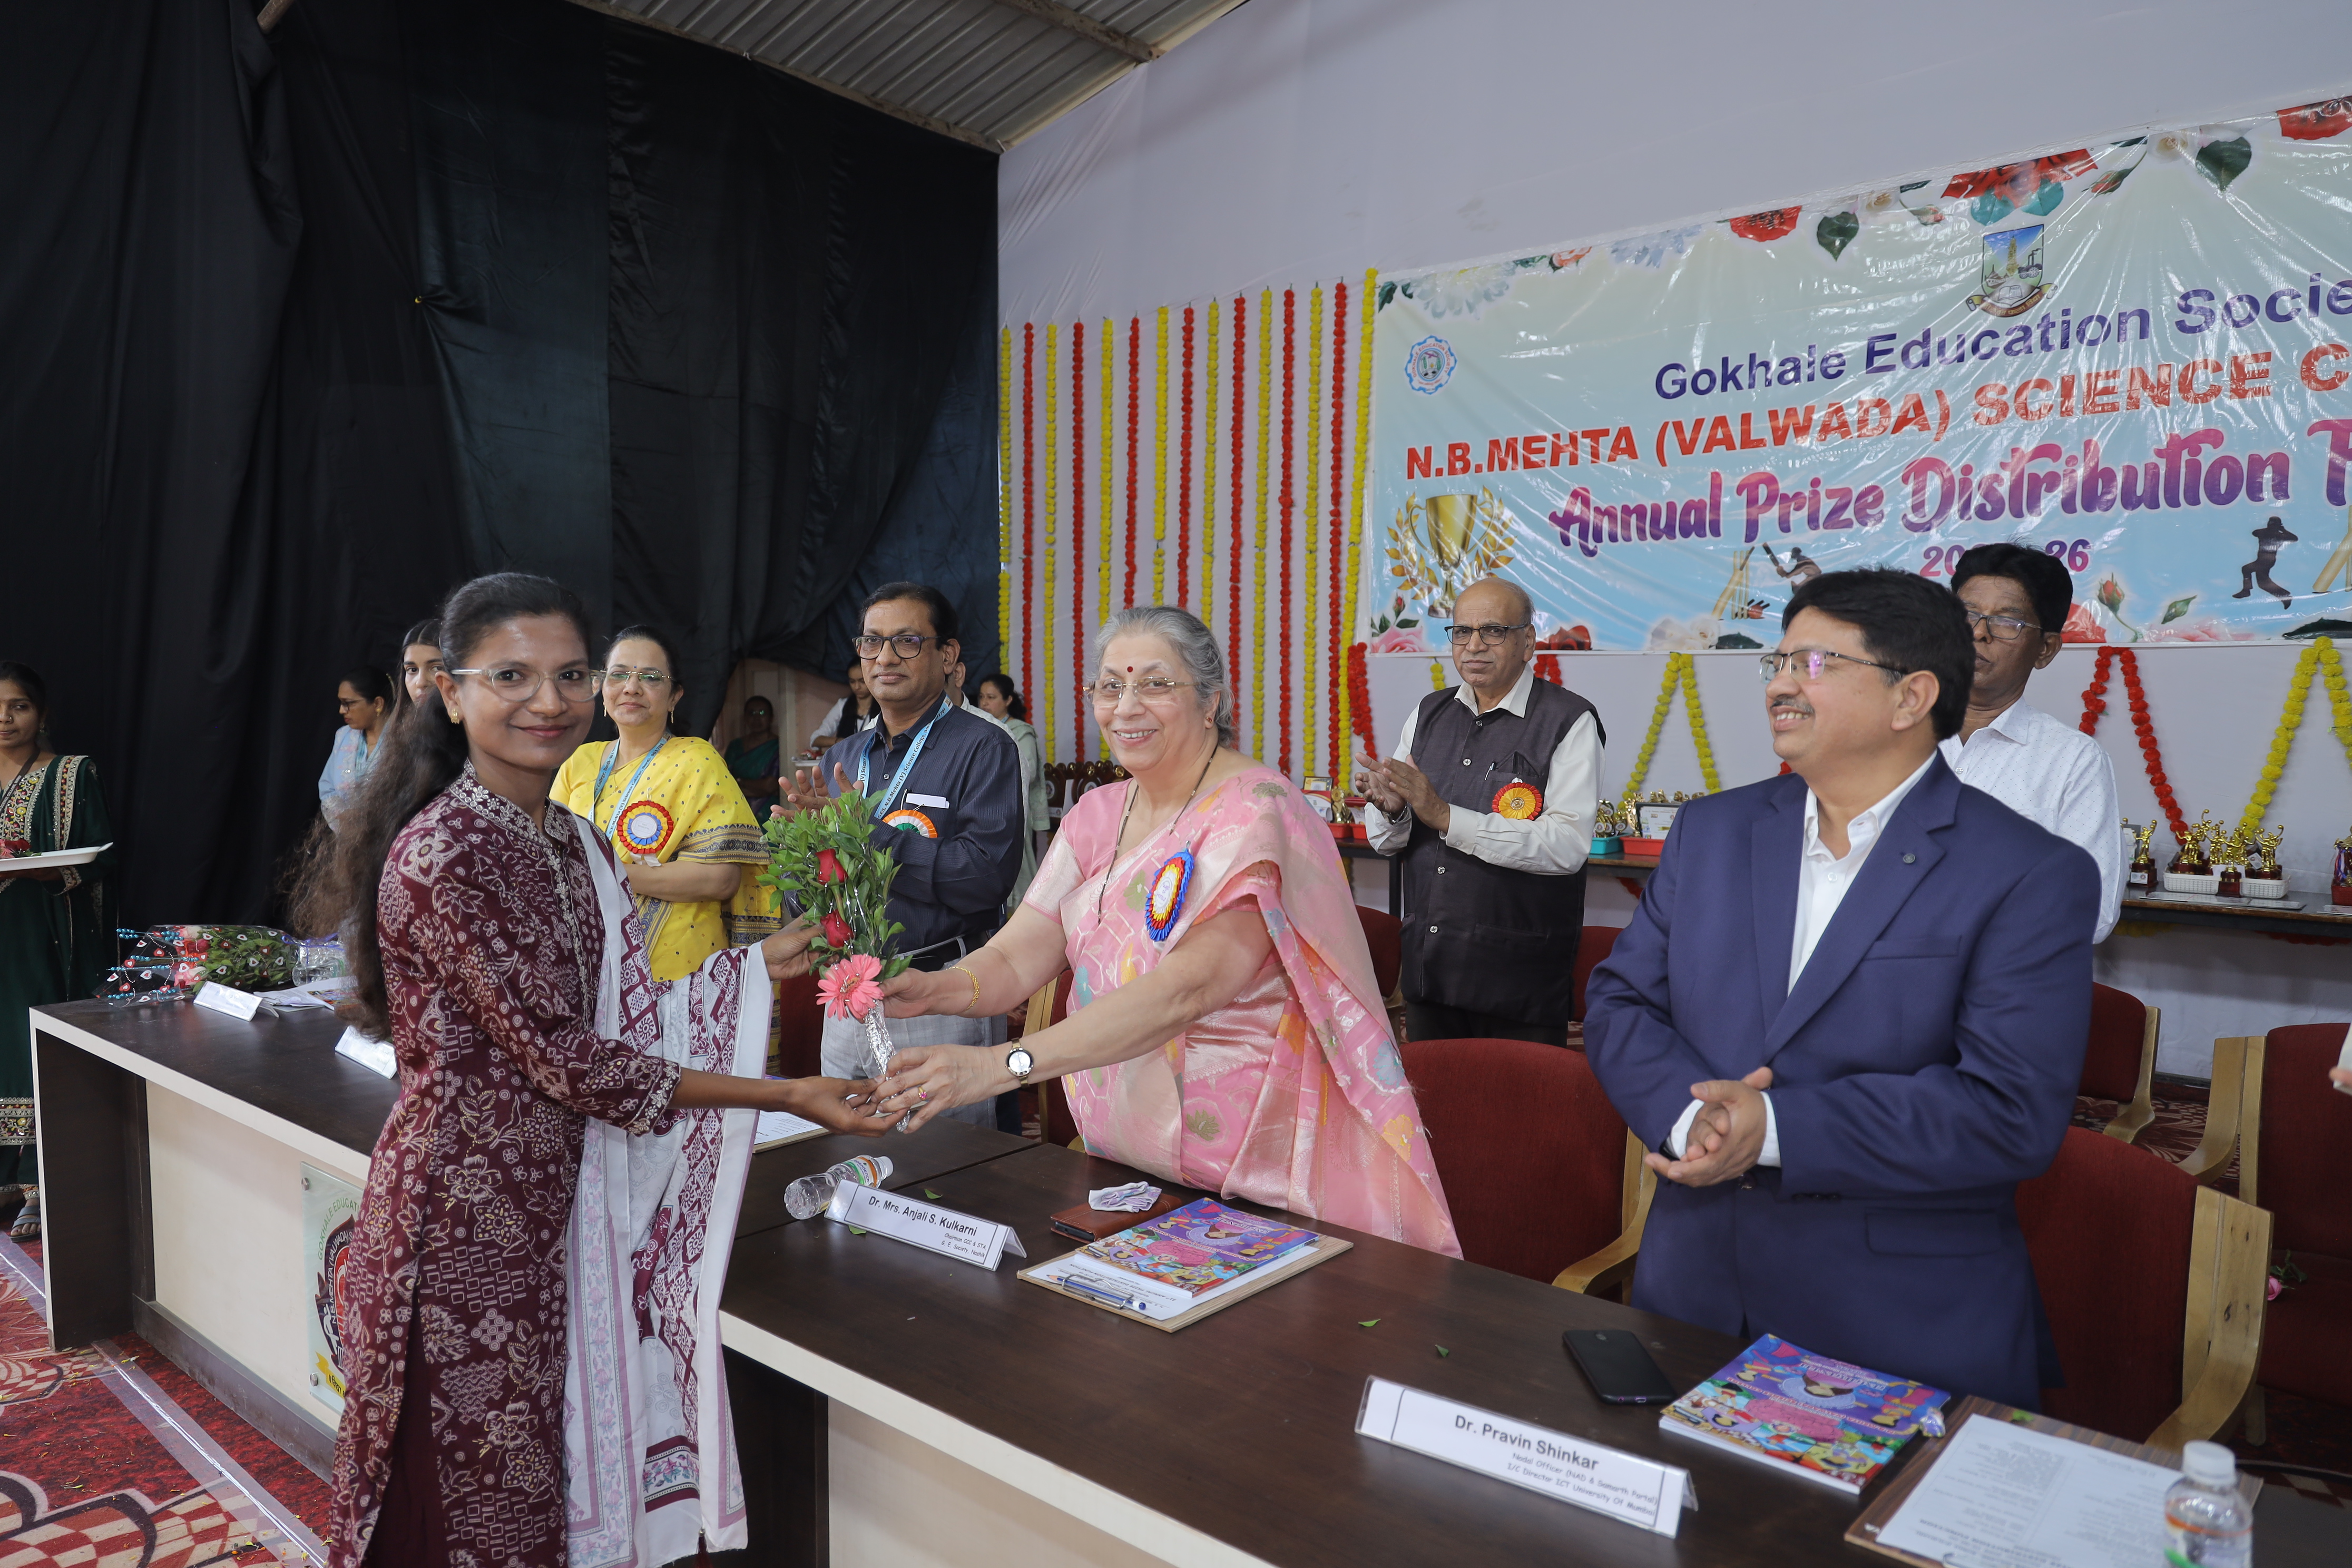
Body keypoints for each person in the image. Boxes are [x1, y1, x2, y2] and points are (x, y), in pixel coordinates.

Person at [302, 573, 878, 1568]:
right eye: (512, 677)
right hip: (468, 1216)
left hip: (558, 1203)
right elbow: (569, 1058)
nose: (551, 701)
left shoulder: (575, 842)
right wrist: (786, 1092)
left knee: (538, 1467)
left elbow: (625, 1010)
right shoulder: (446, 853)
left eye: (571, 675)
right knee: (475, 1484)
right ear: (452, 693)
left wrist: (753, 970)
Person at [1584, 568, 2096, 1409]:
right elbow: (1622, 1001)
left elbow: (2009, 1111)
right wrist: (1691, 1119)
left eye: (1816, 663)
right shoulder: (1713, 832)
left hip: (1892, 1318)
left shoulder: (2026, 873)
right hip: (1696, 1288)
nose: (1780, 684)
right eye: (1778, 662)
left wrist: (1777, 1128)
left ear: (1911, 697)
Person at [862, 605, 1461, 1254]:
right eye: (1110, 686)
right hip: (1127, 1168)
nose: (1127, 707)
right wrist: (936, 988)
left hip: (1258, 1182)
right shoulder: (1097, 814)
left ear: (1210, 702)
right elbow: (1016, 957)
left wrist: (1002, 1065)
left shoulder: (1258, 813)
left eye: (1155, 684)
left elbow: (1188, 990)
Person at [780, 584, 1024, 1125]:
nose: (885, 657)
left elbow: (984, 879)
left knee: (947, 1165)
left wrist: (867, 837)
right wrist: (805, 860)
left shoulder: (984, 748)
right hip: (849, 997)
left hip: (940, 993)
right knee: (848, 1153)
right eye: (872, 642)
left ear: (948, 656)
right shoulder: (844, 757)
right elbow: (814, 898)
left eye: (907, 642)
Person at [1360, 576, 1603, 1046]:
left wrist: (1446, 816)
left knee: (1517, 1098)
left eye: (1493, 631)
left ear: (1528, 642)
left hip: (1518, 983)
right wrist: (1395, 812)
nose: (1474, 645)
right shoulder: (1428, 714)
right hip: (1431, 973)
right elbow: (1386, 842)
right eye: (1462, 632)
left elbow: (1567, 847)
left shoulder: (1569, 720)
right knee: (1434, 1097)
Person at [552, 627, 778, 981]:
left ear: (675, 697)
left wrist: (608, 873)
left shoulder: (697, 760)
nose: (632, 687)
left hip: (678, 971)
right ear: (601, 686)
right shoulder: (578, 762)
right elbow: (548, 857)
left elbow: (721, 879)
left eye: (651, 677)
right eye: (619, 674)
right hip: (587, 963)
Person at [1943, 543, 2124, 942]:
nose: (1978, 633)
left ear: (2045, 649)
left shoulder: (2072, 761)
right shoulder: (1891, 737)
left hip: (1997, 974)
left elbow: (2091, 911)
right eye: (1965, 614)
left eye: (2007, 622)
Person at [0, 662, 116, 1244]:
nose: (5, 718)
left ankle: (39, 1183)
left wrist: (50, 872)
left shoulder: (71, 775)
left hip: (40, 934)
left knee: (28, 1046)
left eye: (18, 706)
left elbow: (102, 856)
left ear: (42, 714)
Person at [975, 671, 1050, 906]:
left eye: (991, 697)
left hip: (1012, 808)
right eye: (981, 697)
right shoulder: (979, 728)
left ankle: (1019, 910)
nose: (984, 703)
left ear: (1008, 700)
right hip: (984, 808)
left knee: (1015, 864)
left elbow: (1029, 772)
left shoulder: (1020, 731)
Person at [320, 667, 393, 831]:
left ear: (378, 704)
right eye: (342, 703)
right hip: (349, 838)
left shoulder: (404, 740)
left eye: (349, 704)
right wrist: (344, 817)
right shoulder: (344, 736)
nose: (342, 710)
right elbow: (327, 787)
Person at [724, 695, 781, 817]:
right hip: (737, 808)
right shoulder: (735, 746)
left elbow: (770, 786)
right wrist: (759, 788)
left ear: (771, 717)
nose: (757, 718)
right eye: (752, 713)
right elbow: (726, 782)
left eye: (762, 713)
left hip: (768, 811)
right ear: (745, 718)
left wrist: (740, 781)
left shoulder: (779, 746)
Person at [807, 660, 876, 752]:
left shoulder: (883, 706)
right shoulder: (843, 705)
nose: (857, 687)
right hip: (846, 759)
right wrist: (839, 741)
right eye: (852, 682)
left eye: (862, 681)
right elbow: (815, 739)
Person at [396, 620, 444, 711]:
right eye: (413, 670)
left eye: (436, 668)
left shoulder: (471, 720)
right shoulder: (398, 721)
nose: (421, 683)